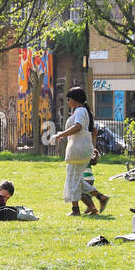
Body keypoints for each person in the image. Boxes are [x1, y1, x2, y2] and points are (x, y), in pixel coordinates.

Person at [56, 87, 97, 216]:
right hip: (81, 148)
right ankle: (99, 198)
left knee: (72, 179)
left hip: (77, 149)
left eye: (68, 99)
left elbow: (78, 127)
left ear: (74, 100)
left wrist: (60, 134)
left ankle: (76, 210)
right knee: (76, 179)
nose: (67, 102)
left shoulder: (79, 111)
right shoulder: (82, 111)